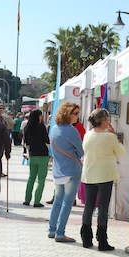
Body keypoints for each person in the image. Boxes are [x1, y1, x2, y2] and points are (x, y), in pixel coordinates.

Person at [81, 108, 125, 251]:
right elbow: (121, 152)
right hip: (105, 174)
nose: (109, 122)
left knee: (89, 206)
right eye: (107, 119)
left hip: (90, 174)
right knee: (103, 208)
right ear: (103, 120)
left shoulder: (88, 135)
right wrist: (114, 136)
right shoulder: (110, 137)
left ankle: (86, 238)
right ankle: (102, 240)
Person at [48, 102, 83, 243]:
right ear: (68, 114)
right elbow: (81, 151)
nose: (77, 117)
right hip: (71, 170)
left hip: (58, 170)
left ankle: (52, 229)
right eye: (75, 113)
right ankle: (60, 233)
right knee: (67, 203)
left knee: (58, 201)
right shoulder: (71, 130)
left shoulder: (54, 129)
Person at [23, 109, 50, 207]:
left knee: (31, 178)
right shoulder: (41, 127)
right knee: (41, 179)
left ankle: (27, 199)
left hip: (32, 155)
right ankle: (37, 201)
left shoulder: (27, 127)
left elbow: (26, 142)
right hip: (43, 155)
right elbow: (47, 140)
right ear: (38, 116)